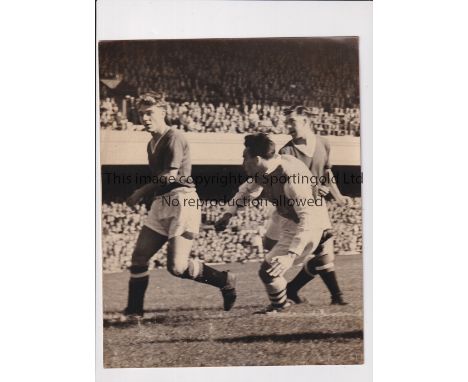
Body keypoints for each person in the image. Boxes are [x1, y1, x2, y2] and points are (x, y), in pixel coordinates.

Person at [121, 91, 237, 320]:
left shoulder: (175, 136)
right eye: (141, 114)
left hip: (182, 201)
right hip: (161, 203)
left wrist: (139, 192)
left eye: (149, 113)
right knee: (139, 258)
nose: (144, 118)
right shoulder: (151, 143)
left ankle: (224, 280)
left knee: (177, 268)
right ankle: (134, 312)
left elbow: (169, 175)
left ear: (163, 112)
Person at [215, 133, 332, 313]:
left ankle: (281, 304)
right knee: (269, 250)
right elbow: (246, 192)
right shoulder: (263, 171)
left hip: (309, 222)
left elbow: (307, 219)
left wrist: (290, 255)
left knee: (268, 271)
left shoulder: (291, 178)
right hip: (288, 217)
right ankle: (287, 294)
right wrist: (228, 214)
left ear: (258, 159)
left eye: (245, 158)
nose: (242, 163)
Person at [268, 106, 350, 305]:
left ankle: (295, 291)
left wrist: (337, 195)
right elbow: (284, 183)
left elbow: (327, 174)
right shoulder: (286, 151)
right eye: (286, 122)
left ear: (305, 122)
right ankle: (333, 297)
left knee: (324, 256)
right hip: (298, 208)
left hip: (317, 207)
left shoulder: (324, 143)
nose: (288, 126)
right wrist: (315, 187)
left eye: (292, 122)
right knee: (321, 254)